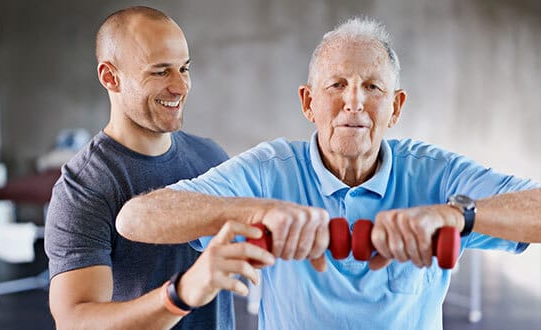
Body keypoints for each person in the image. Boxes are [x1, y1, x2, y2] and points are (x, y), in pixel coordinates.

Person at [116, 17, 541, 329]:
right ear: (308, 103)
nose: (354, 102)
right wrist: (259, 211)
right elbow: (135, 219)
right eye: (336, 85)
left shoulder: (437, 174)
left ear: (395, 107)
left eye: (373, 87)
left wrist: (456, 215)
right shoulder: (270, 170)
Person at [44, 6, 275, 330]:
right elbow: (74, 321)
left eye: (184, 68)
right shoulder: (83, 187)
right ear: (111, 77)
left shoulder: (211, 157)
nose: (181, 86)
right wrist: (180, 294)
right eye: (160, 71)